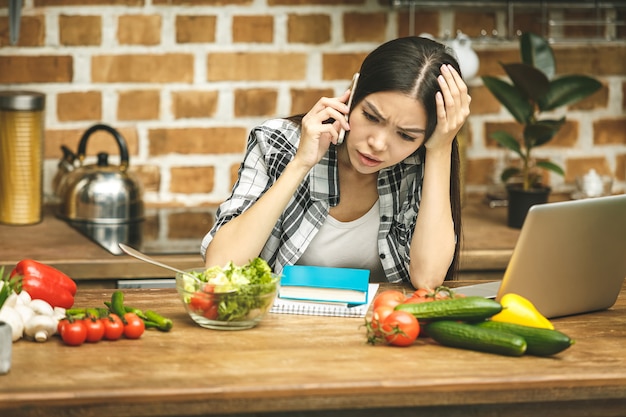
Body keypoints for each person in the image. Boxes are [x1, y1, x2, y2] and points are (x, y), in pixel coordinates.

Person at [201, 36, 471, 290]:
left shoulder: (420, 162)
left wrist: (440, 149)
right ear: (352, 93)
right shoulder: (278, 141)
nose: (378, 143)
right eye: (371, 117)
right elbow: (221, 268)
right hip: (282, 331)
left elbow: (428, 279)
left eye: (405, 135)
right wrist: (300, 164)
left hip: (379, 331)